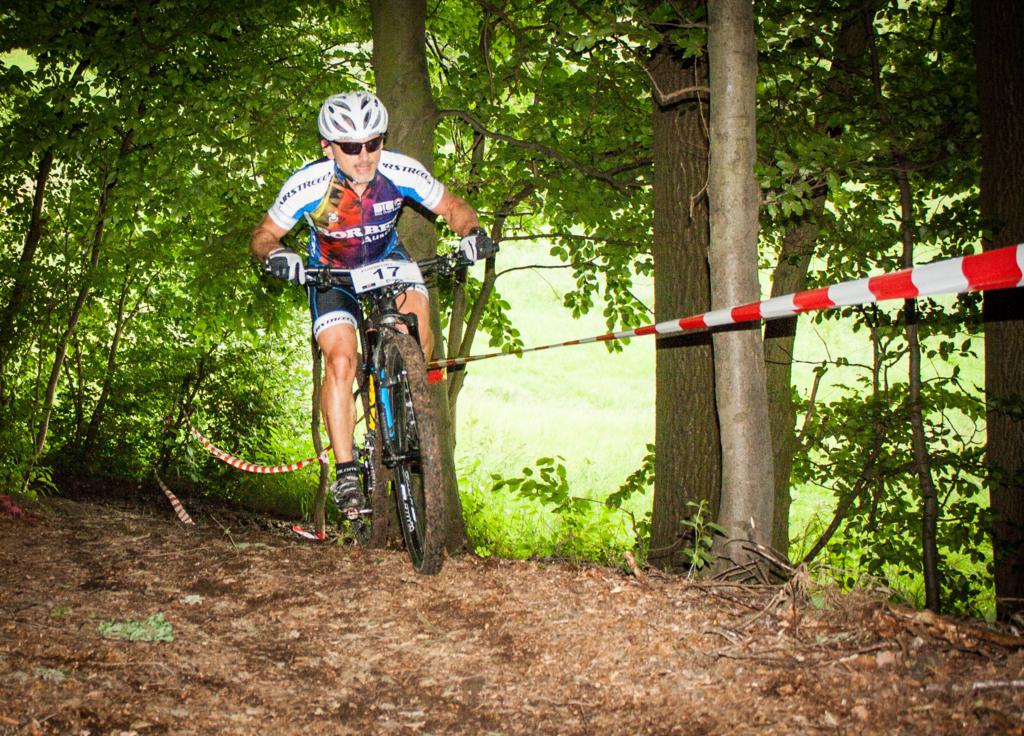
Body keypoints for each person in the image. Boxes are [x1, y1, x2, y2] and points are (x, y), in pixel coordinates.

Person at [250, 91, 495, 512]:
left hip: (386, 260)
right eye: (350, 147)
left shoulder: (399, 170)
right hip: (332, 273)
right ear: (328, 147)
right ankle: (347, 471)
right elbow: (263, 236)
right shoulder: (309, 184)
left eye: (373, 143)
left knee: (416, 321)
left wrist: (472, 232)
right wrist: (277, 255)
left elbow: (452, 206)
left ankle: (407, 403)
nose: (364, 156)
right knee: (341, 359)